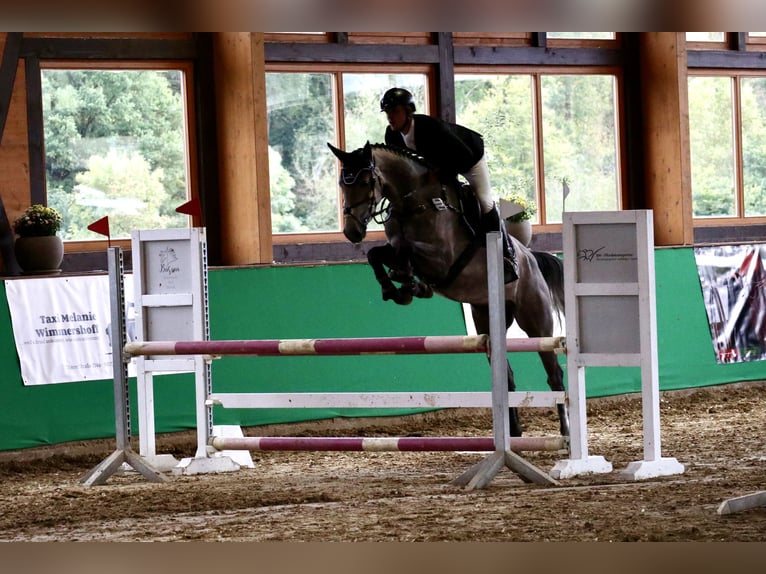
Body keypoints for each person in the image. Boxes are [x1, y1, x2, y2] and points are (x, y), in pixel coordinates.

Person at [379, 87, 518, 283]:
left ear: (408, 111)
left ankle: (506, 256)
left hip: (469, 157)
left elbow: (463, 156)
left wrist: (440, 174)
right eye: (387, 113)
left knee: (484, 202)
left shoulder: (430, 128)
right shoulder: (392, 136)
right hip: (438, 164)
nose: (390, 117)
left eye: (395, 111)